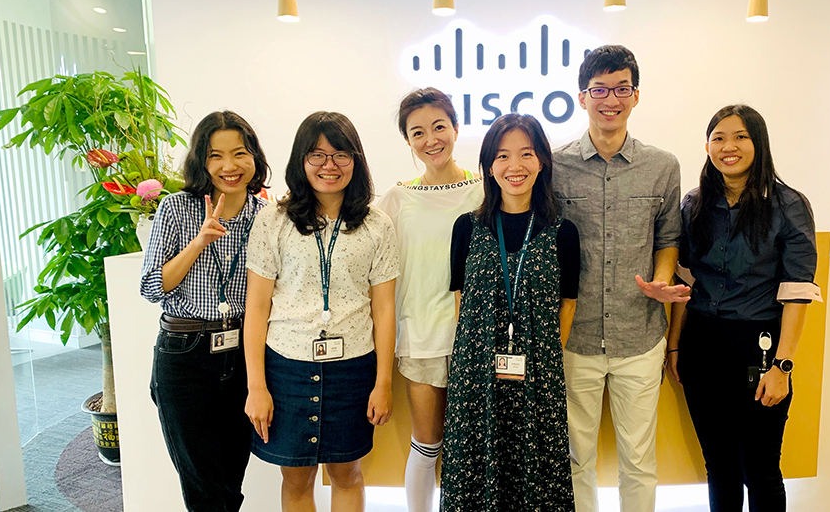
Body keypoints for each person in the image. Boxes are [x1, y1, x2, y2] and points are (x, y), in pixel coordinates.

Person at [552, 44, 690, 512]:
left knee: (638, 458)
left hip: (640, 335)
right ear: (582, 97)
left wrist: (661, 279)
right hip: (575, 337)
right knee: (575, 457)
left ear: (635, 96)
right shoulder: (554, 166)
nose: (611, 99)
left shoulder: (663, 166)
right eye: (600, 90)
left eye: (621, 89)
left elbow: (668, 237)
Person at [666, 104, 821, 512]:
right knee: (718, 465)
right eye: (718, 138)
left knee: (761, 468)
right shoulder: (695, 204)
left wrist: (783, 367)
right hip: (702, 344)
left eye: (740, 137)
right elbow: (686, 280)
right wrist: (675, 346)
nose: (727, 147)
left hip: (758, 348)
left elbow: (798, 291)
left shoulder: (788, 205)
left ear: (759, 143)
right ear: (707, 146)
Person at [243, 111, 399, 512]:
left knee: (347, 475)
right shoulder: (273, 221)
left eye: (340, 154)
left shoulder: (377, 225)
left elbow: (384, 310)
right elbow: (256, 310)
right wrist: (256, 387)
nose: (329, 166)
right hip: (286, 368)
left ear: (356, 160)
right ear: (301, 160)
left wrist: (383, 383)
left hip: (353, 369)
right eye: (317, 155)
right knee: (296, 479)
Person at [442, 113, 580, 512]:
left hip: (538, 373)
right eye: (502, 156)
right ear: (488, 166)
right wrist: (477, 358)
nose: (514, 166)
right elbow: (460, 301)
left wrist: (543, 355)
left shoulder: (562, 231)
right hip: (478, 377)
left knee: (536, 474)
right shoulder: (466, 227)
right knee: (476, 469)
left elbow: (567, 305)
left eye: (526, 154)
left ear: (542, 162)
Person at [141, 110, 270, 512]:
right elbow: (150, 287)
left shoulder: (266, 217)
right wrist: (198, 241)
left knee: (231, 479)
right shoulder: (177, 208)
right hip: (185, 355)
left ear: (254, 158)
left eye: (240, 153)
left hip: (243, 355)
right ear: (202, 160)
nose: (229, 166)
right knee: (204, 486)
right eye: (216, 156)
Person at [375, 88, 483, 512]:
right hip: (419, 337)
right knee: (427, 444)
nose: (431, 139)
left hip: (475, 339)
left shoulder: (484, 191)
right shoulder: (397, 199)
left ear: (456, 128)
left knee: (474, 447)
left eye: (439, 126)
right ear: (408, 141)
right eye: (417, 132)